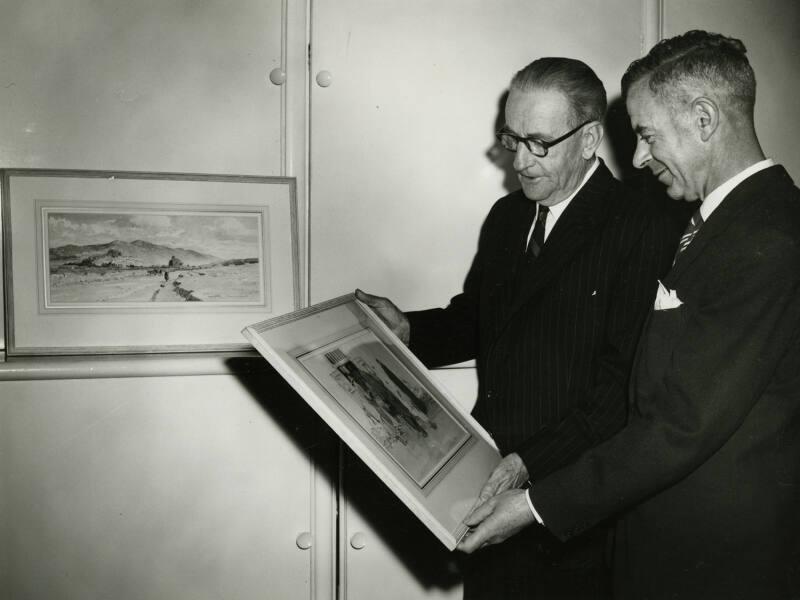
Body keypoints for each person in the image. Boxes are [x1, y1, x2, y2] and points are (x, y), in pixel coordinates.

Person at [456, 31, 800, 599]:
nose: (637, 156)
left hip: (719, 563)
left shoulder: (767, 236)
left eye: (645, 134)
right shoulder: (715, 223)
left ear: (704, 119)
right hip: (669, 547)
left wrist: (535, 505)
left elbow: (678, 425)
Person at [358, 56, 677, 599]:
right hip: (487, 484)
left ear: (589, 138)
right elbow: (477, 319)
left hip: (571, 509)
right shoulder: (507, 217)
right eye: (513, 139)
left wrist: (527, 465)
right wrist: (406, 329)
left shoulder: (641, 224)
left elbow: (618, 387)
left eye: (539, 142)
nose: (522, 162)